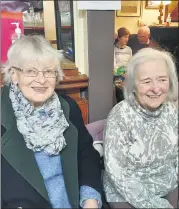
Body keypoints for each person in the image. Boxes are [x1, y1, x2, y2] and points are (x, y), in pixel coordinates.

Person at [1, 35, 102, 208]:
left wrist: (90, 198)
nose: (41, 80)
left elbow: (87, 154)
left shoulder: (68, 108)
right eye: (31, 71)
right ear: (14, 75)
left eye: (48, 71)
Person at [103, 48, 178, 208]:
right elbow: (117, 172)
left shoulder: (172, 110)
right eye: (146, 81)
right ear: (133, 85)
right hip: (127, 193)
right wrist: (156, 205)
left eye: (162, 79)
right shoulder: (120, 116)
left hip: (167, 185)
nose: (156, 88)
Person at [114, 27, 132, 103]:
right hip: (118, 77)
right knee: (121, 93)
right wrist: (122, 73)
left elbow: (131, 64)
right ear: (118, 37)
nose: (127, 39)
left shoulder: (129, 49)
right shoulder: (113, 49)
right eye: (125, 37)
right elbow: (113, 67)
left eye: (128, 37)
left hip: (128, 76)